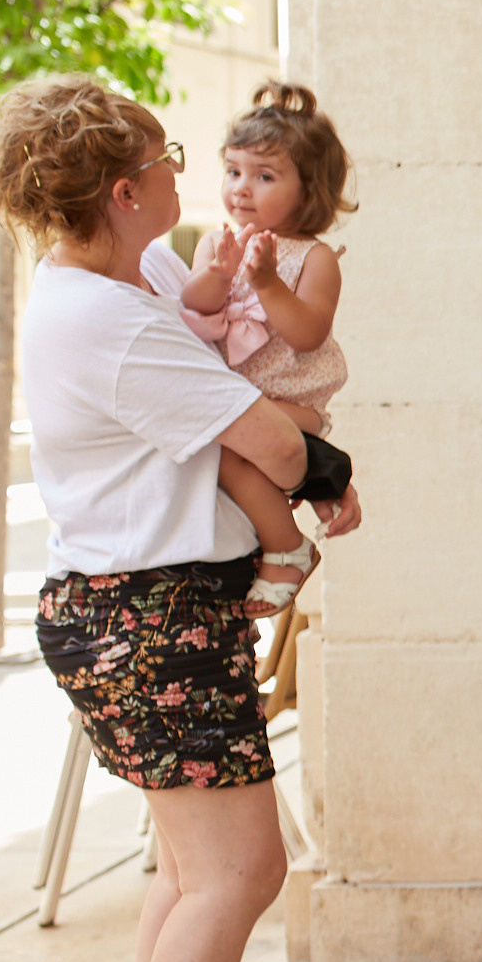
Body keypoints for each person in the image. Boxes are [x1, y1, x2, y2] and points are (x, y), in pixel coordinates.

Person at [0, 76, 362, 962]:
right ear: (123, 187)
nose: (183, 171)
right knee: (241, 869)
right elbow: (272, 439)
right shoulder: (111, 318)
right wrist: (329, 467)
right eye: (166, 153)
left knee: (187, 874)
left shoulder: (124, 281)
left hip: (152, 609)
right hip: (145, 618)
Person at [177, 81, 354, 616]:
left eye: (264, 176)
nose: (241, 189)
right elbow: (195, 307)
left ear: (310, 189)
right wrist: (219, 275)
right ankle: (294, 518)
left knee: (229, 450)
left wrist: (270, 284)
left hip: (291, 401)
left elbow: (309, 333)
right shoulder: (216, 243)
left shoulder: (315, 257)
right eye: (234, 171)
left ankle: (288, 548)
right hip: (238, 397)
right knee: (224, 449)